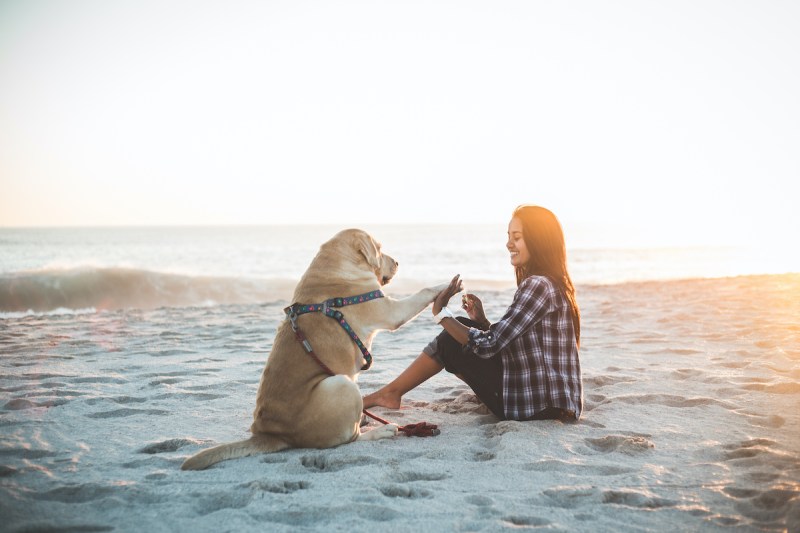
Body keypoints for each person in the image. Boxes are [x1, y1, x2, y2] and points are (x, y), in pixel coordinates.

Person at [363, 205, 582, 421]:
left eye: (517, 237)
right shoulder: (553, 284)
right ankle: (392, 392)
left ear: (539, 240)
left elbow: (491, 345)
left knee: (452, 338)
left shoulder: (538, 285)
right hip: (556, 403)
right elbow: (520, 344)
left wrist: (441, 314)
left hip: (534, 405)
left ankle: (390, 393)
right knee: (469, 329)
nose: (508, 244)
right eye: (508, 236)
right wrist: (482, 322)